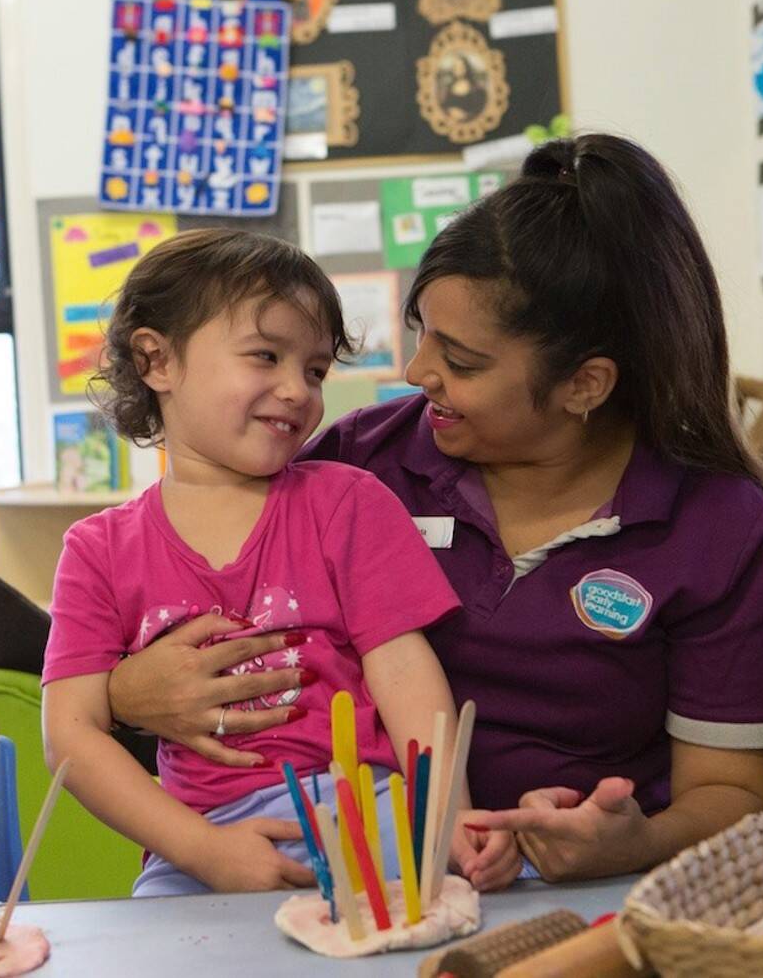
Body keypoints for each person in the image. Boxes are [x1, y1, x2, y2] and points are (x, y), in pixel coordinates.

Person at [104, 135, 763, 882]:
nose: (417, 371)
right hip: (360, 869)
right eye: (421, 332)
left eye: (461, 361)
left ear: (586, 385)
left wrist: (633, 843)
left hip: (594, 894)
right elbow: (172, 608)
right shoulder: (354, 465)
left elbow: (735, 795)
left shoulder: (719, 526)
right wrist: (127, 694)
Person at [40, 229, 519, 896]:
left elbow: (407, 676)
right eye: (266, 355)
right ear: (157, 360)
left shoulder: (348, 501)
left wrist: (449, 816)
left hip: (365, 805)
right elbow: (70, 734)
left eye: (316, 370)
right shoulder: (97, 550)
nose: (297, 390)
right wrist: (203, 851)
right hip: (204, 835)